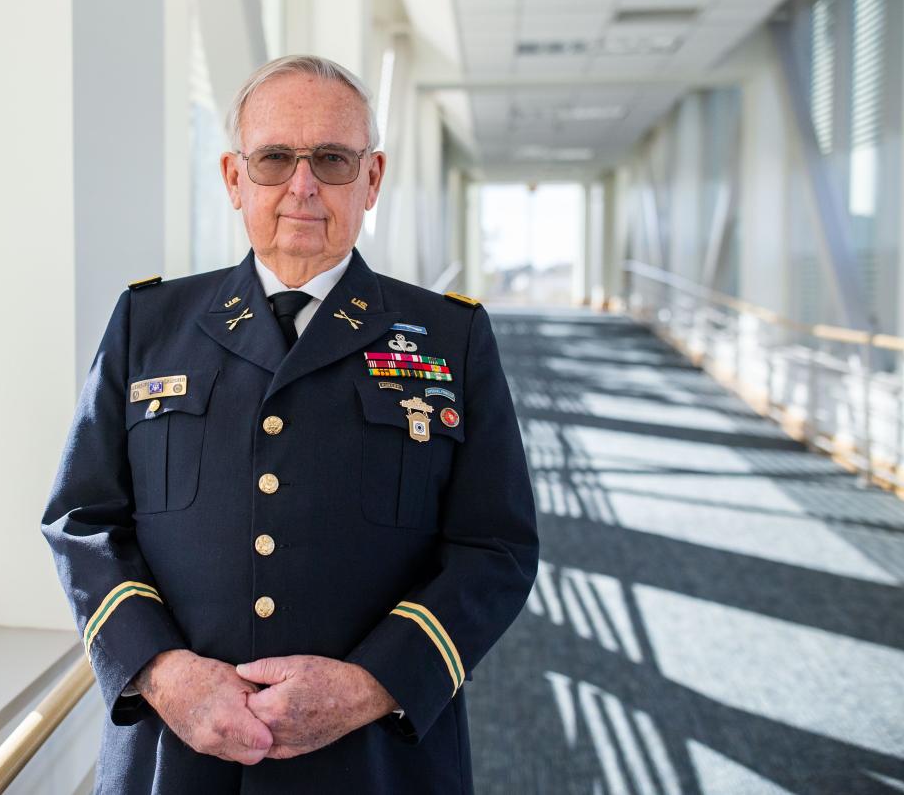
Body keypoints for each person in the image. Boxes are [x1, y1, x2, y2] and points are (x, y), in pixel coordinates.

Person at [40, 54, 538, 794]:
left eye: (333, 160)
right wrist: (163, 671)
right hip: (176, 759)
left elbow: (495, 547)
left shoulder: (449, 337)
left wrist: (371, 684)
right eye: (274, 158)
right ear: (235, 178)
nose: (303, 186)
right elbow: (83, 521)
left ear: (371, 180)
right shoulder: (149, 324)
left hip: (374, 761)